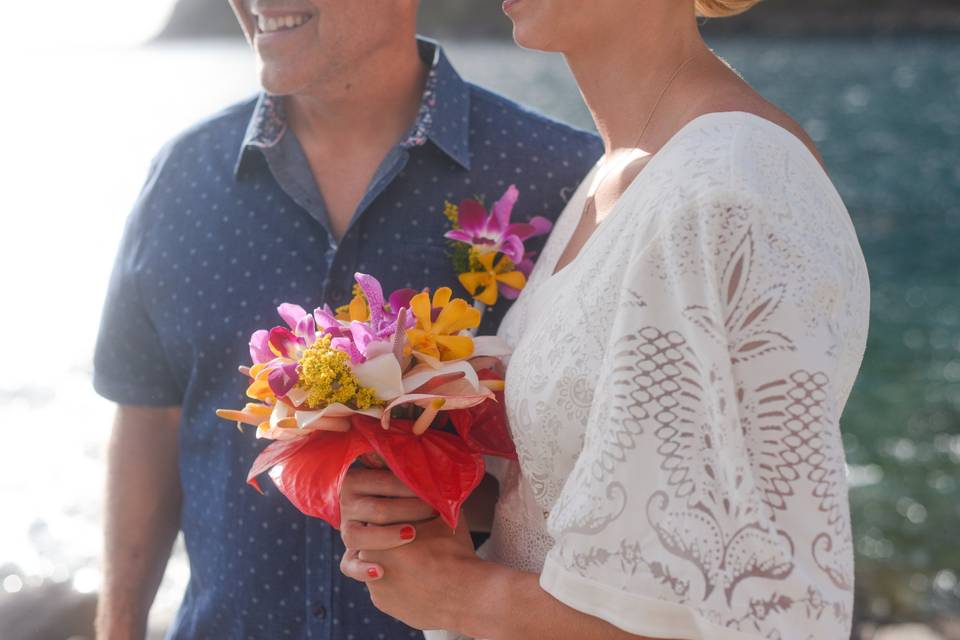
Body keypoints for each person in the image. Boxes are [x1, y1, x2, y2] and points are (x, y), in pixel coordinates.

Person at [338, 0, 871, 638]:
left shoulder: (727, 189)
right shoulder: (622, 174)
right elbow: (628, 502)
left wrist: (457, 597)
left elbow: (749, 608)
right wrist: (443, 496)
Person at [91, 0, 601, 636]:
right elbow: (146, 420)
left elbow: (607, 473)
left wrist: (469, 499)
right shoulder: (181, 180)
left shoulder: (561, 178)